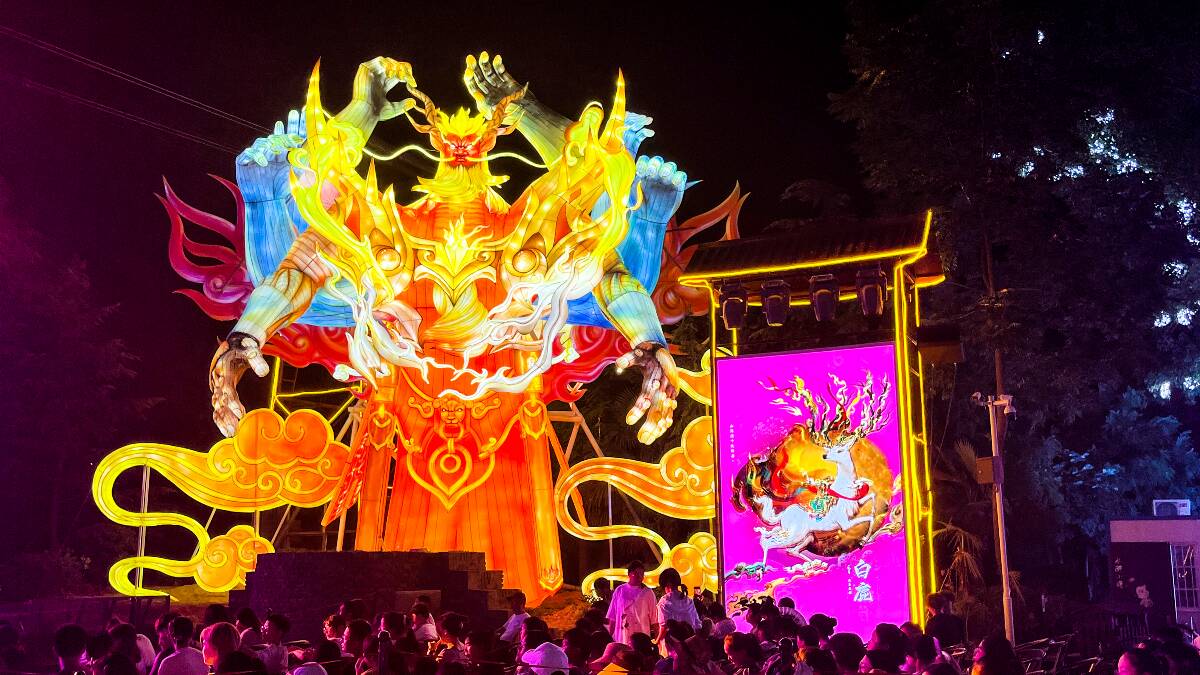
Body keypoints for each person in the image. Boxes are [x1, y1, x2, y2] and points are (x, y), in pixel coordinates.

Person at [606, 561, 658, 646]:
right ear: (629, 574)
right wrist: (609, 638)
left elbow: (654, 619)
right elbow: (612, 617)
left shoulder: (648, 592)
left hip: (641, 639)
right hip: (622, 638)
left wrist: (657, 641)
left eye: (641, 574)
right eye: (636, 573)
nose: (639, 576)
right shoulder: (620, 590)